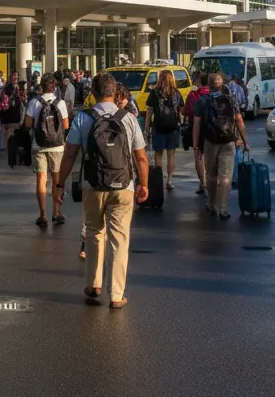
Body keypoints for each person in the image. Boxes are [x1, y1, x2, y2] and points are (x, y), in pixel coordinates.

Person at [56, 72, 149, 310]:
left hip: (92, 184)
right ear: (114, 92)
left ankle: (94, 284)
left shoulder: (83, 118)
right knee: (119, 238)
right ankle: (116, 294)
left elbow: (70, 154)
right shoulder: (128, 118)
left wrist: (60, 184)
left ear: (93, 93)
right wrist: (144, 184)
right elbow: (141, 157)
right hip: (124, 186)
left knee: (94, 232)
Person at [193, 72, 250, 220]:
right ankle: (223, 209)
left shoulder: (202, 101)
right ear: (222, 84)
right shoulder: (231, 100)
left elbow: (197, 125)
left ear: (208, 85)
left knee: (211, 175)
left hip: (210, 142)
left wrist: (196, 145)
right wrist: (245, 141)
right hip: (228, 141)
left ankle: (211, 204)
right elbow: (239, 121)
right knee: (226, 177)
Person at [24, 72, 70, 228]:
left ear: (41, 87)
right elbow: (66, 125)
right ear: (54, 86)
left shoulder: (34, 102)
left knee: (41, 179)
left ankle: (43, 215)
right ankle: (56, 212)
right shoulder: (60, 103)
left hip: (39, 145)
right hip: (57, 146)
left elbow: (28, 124)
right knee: (56, 180)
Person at [146, 69, 184, 191]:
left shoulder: (154, 93)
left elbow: (149, 113)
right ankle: (169, 180)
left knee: (158, 153)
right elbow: (181, 112)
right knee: (171, 154)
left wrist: (147, 130)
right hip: (173, 127)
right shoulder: (176, 93)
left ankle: (158, 180)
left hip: (158, 127)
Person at [183, 73, 211, 195]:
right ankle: (211, 182)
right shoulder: (215, 94)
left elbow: (186, 111)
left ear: (199, 82)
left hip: (196, 127)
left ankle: (203, 182)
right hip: (212, 129)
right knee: (211, 156)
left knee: (198, 155)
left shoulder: (193, 95)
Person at [0, 74, 23, 149]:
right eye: (15, 78)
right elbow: (21, 99)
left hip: (6, 111)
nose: (15, 79)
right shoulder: (16, 88)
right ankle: (9, 144)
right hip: (11, 111)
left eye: (16, 78)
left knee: (6, 128)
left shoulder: (3, 87)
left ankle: (4, 145)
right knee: (11, 128)